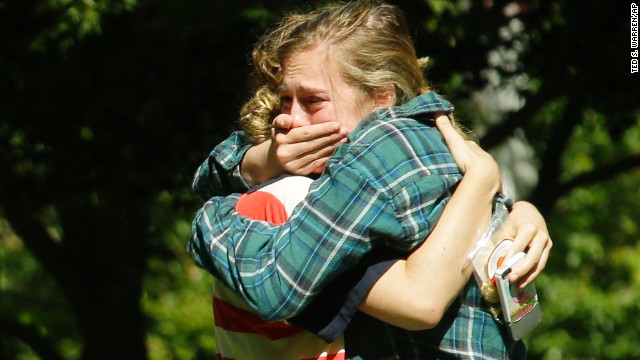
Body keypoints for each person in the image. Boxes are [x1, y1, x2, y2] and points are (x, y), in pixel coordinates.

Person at [188, 1, 552, 358]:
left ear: (381, 98)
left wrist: (211, 219)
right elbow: (212, 174)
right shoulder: (442, 144)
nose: (290, 120)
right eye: (286, 100)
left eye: (313, 101)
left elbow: (273, 287)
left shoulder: (379, 149)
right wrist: (265, 160)